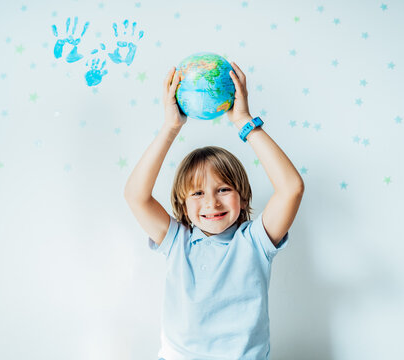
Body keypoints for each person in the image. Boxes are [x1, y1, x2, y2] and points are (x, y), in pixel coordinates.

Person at [124, 62, 305, 360]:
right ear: (183, 205)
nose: (211, 203)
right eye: (197, 193)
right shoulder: (176, 242)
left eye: (223, 189)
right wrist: (171, 128)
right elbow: (135, 195)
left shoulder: (255, 242)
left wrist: (244, 121)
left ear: (243, 198)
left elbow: (291, 189)